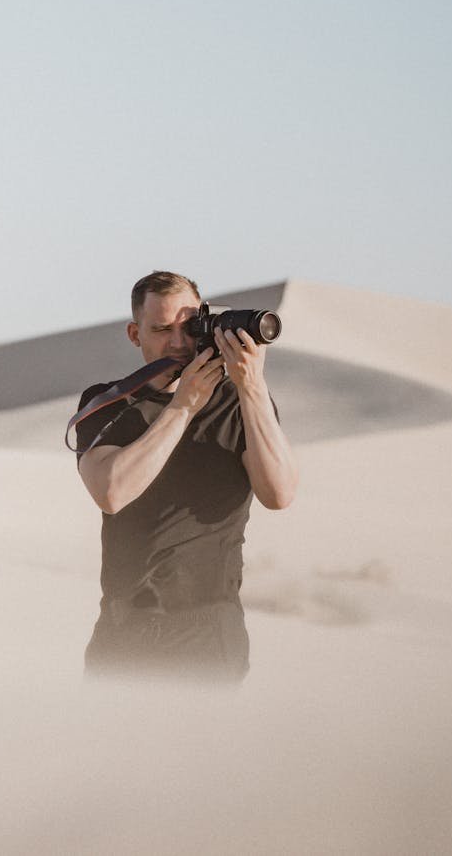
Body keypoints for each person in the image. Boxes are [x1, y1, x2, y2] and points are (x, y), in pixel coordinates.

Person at [74, 270, 298, 683]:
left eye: (190, 327)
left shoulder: (240, 404)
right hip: (125, 629)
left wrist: (252, 387)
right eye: (161, 330)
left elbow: (279, 493)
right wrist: (183, 406)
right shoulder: (109, 402)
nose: (178, 342)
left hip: (210, 631)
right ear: (135, 334)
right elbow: (111, 492)